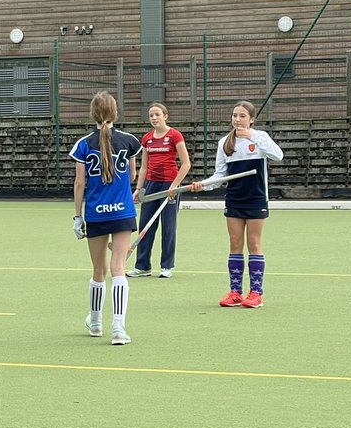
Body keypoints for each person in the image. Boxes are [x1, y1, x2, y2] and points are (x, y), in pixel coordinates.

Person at [189, 100, 283, 309]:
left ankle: (256, 293)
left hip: (256, 198)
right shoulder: (225, 142)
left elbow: (278, 155)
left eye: (242, 116)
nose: (237, 119)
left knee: (254, 243)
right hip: (234, 199)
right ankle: (235, 292)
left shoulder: (260, 137)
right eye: (234, 115)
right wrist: (202, 185)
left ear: (251, 120)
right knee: (234, 243)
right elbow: (220, 175)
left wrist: (253, 137)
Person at [71, 91, 142, 345]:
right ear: (115, 113)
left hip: (96, 213)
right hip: (122, 212)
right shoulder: (129, 141)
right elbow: (132, 176)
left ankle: (96, 322)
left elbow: (80, 183)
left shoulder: (83, 144)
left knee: (99, 270)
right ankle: (118, 329)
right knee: (118, 268)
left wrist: (77, 216)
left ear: (93, 114)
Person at [128, 102, 191, 278]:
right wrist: (138, 188)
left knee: (168, 226)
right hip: (151, 185)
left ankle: (167, 266)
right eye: (151, 115)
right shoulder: (147, 138)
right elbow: (144, 167)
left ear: (165, 116)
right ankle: (142, 267)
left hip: (169, 185)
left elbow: (186, 164)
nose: (154, 118)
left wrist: (174, 186)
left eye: (157, 114)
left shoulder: (174, 135)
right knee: (146, 224)